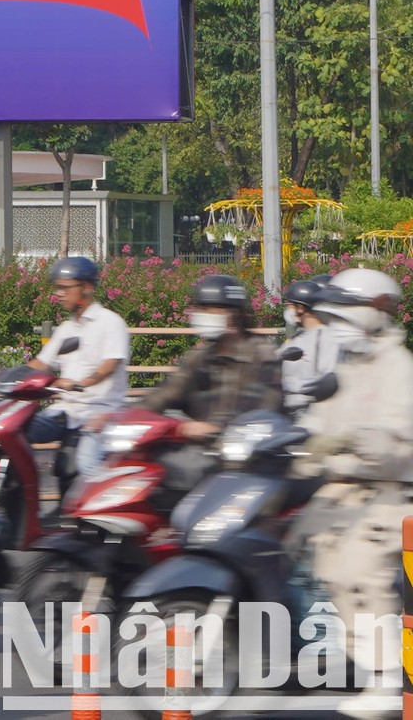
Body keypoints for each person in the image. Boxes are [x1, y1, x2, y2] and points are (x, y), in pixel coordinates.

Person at [288, 268, 413, 706]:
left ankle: (386, 681)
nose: (338, 324)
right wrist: (301, 444)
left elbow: (397, 443)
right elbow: (320, 423)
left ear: (377, 309)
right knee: (312, 559)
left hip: (384, 492)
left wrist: (356, 437)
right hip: (338, 489)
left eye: (346, 313)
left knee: (362, 575)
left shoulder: (398, 367)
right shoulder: (348, 365)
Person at [117, 274, 284, 507]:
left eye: (213, 310)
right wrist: (128, 417)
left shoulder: (261, 355)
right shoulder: (200, 356)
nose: (204, 315)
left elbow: (262, 407)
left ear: (233, 314)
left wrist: (217, 427)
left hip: (243, 461)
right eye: (202, 308)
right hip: (199, 453)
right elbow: (168, 391)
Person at [25, 256, 129, 480]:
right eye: (57, 289)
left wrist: (81, 384)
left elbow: (109, 365)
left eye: (65, 288)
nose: (59, 294)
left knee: (86, 465)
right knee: (18, 432)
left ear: (87, 288)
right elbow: (42, 363)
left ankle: (98, 512)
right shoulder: (66, 328)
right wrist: (12, 378)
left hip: (100, 413)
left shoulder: (110, 323)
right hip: (67, 410)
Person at [279, 274, 336, 411]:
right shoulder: (297, 336)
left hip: (309, 410)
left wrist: (294, 386)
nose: (288, 310)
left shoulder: (326, 337)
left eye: (291, 305)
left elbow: (326, 376)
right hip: (286, 408)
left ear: (301, 307)